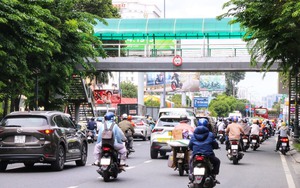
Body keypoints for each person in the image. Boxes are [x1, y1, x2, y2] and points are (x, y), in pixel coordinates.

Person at [188, 118, 220, 184]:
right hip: (208, 154)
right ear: (207, 125)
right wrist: (216, 147)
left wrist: (192, 149)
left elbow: (190, 145)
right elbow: (214, 144)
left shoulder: (193, 135)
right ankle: (213, 175)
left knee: (190, 162)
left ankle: (191, 174)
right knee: (217, 161)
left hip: (196, 154)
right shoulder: (210, 134)